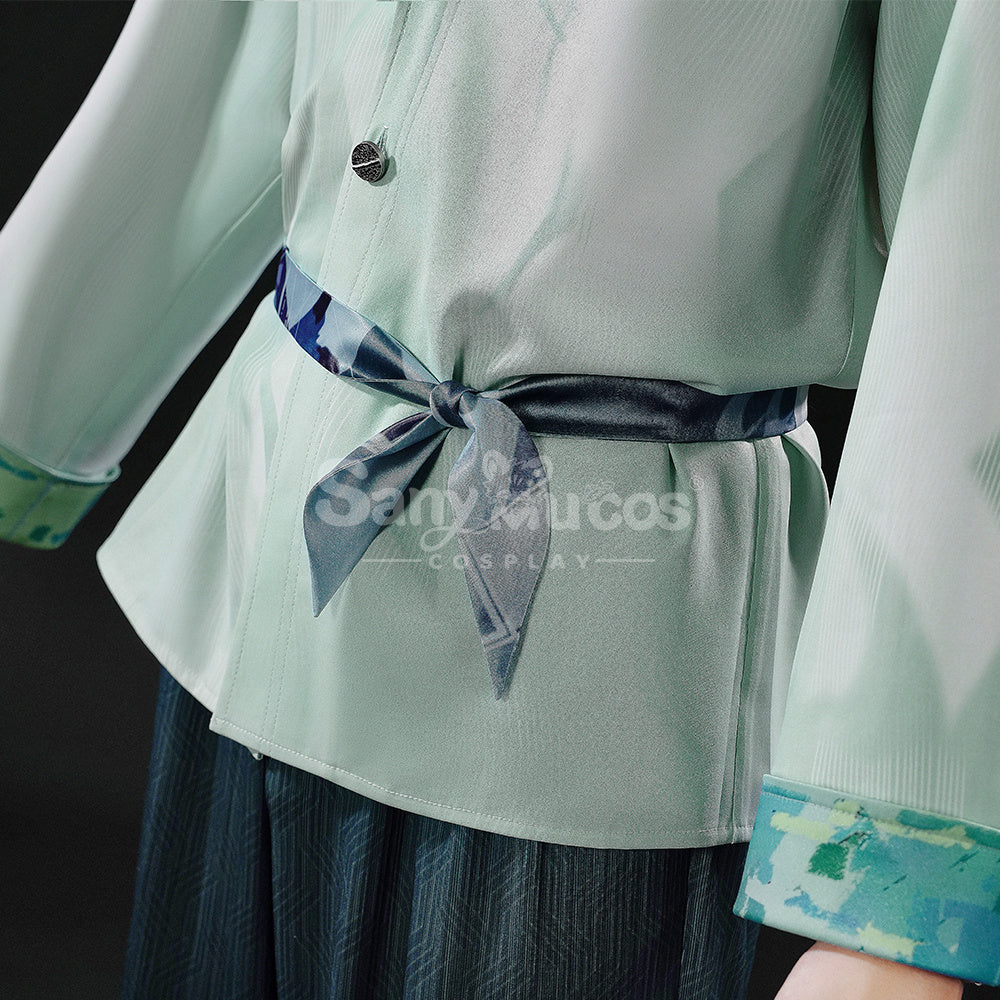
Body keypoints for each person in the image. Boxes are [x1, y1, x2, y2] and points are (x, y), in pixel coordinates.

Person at [0, 2, 996, 997]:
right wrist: (29, 382)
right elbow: (232, 39)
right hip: (266, 556)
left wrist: (893, 905)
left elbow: (973, 265)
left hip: (601, 685)